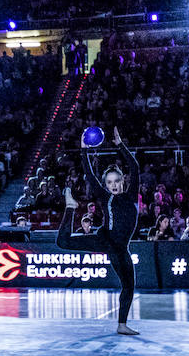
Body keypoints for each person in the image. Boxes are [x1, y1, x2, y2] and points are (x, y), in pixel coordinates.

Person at [57, 127, 140, 336]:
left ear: (123, 181)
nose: (113, 185)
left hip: (120, 249)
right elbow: (90, 175)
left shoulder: (130, 195)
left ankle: (122, 325)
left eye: (116, 181)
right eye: (109, 182)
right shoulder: (105, 197)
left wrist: (120, 144)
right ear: (106, 184)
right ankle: (71, 208)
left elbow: (135, 167)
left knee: (129, 287)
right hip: (106, 241)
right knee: (62, 241)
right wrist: (83, 150)